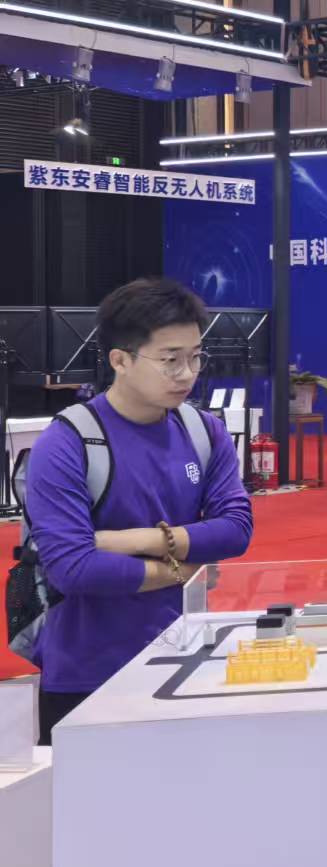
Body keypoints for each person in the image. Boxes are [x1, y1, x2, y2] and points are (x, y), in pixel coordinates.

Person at [22, 278, 253, 744]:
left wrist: (135, 540)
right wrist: (184, 569)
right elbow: (74, 569)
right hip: (87, 673)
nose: (187, 374)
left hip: (184, 657)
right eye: (170, 360)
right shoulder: (68, 444)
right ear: (120, 360)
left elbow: (236, 529)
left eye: (196, 357)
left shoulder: (204, 432)